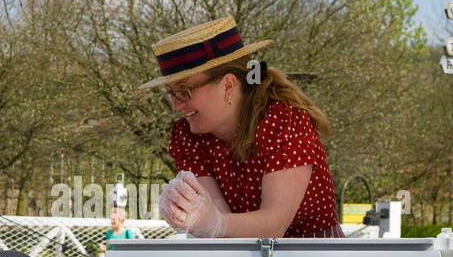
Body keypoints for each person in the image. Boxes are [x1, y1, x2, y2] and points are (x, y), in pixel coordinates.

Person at [141, 17, 343, 238]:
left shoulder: (283, 121)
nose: (176, 104)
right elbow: (221, 228)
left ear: (228, 85)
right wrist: (194, 214)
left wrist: (212, 223)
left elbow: (273, 225)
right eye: (171, 93)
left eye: (184, 91)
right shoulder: (188, 136)